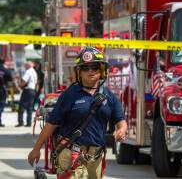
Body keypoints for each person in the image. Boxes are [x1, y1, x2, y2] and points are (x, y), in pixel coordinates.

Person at [28, 47, 127, 179]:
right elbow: (51, 124)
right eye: (85, 68)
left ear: (101, 70)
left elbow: (121, 120)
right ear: (79, 72)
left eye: (95, 67)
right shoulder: (69, 95)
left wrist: (121, 130)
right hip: (71, 155)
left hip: (95, 158)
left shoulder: (110, 96)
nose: (90, 71)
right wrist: (36, 149)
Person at [16, 61, 38, 127]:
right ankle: (29, 123)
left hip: (27, 90)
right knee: (30, 107)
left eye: (25, 65)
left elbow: (24, 81)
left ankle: (21, 122)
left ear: (28, 66)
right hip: (32, 90)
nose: (25, 67)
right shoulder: (34, 72)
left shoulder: (28, 71)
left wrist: (19, 85)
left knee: (21, 106)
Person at [0, 58, 13, 127]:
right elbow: (10, 79)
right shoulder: (6, 70)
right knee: (1, 105)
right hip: (2, 90)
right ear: (4, 62)